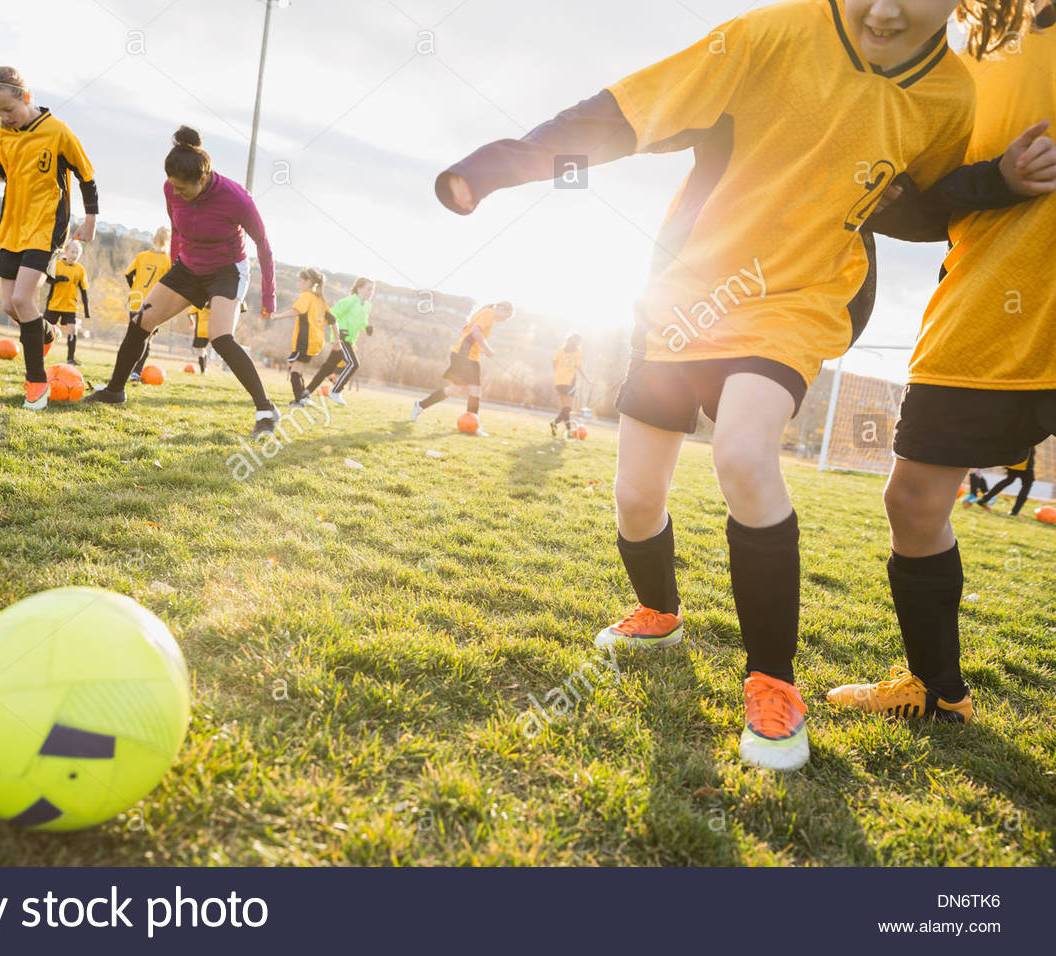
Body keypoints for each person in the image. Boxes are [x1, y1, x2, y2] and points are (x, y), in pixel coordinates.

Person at [433, 0, 1027, 771]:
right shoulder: (774, 34)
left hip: (798, 301)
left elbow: (917, 202)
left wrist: (999, 181)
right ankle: (659, 612)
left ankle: (774, 684)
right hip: (684, 298)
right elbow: (630, 111)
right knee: (637, 499)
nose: (882, 9)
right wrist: (500, 164)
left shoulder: (951, 94)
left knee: (745, 456)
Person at [828, 0, 1056, 724]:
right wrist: (993, 179)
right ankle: (935, 689)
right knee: (914, 501)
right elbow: (931, 206)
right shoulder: (976, 50)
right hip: (985, 306)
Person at [85, 127, 280, 440]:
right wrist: (176, 263)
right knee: (141, 321)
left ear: (202, 179)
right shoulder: (170, 187)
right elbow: (176, 227)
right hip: (188, 266)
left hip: (227, 270)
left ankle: (266, 410)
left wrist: (269, 296)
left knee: (220, 336)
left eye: (183, 188)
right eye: (172, 187)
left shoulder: (235, 198)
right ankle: (114, 390)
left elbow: (263, 245)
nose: (176, 193)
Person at [0, 65, 98, 409]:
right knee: (10, 305)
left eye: (9, 109)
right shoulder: (0, 132)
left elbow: (86, 175)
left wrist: (91, 218)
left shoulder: (57, 132)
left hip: (46, 224)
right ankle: (47, 334)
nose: (4, 118)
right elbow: (1, 173)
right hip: (12, 226)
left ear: (27, 97)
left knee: (23, 300)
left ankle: (37, 385)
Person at [410, 302, 515, 434]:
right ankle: (421, 405)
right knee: (461, 390)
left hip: (471, 357)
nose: (504, 320)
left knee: (468, 391)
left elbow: (468, 330)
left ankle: (471, 425)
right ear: (501, 308)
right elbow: (475, 331)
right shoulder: (489, 313)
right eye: (506, 316)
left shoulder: (486, 313)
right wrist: (487, 348)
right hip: (464, 356)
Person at [302, 278, 375, 405]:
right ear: (359, 288)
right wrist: (338, 333)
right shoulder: (349, 301)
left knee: (327, 369)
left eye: (372, 290)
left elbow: (362, 321)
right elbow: (331, 315)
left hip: (350, 341)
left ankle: (306, 393)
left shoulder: (367, 305)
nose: (371, 292)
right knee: (353, 364)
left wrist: (366, 327)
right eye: (369, 289)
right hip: (341, 339)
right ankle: (335, 391)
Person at [269, 268, 333, 406]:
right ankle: (304, 396)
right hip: (316, 341)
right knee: (298, 367)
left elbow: (297, 310)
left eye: (300, 280)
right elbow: (332, 319)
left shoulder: (307, 296)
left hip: (305, 340)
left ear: (308, 281)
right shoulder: (320, 300)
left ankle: (299, 400)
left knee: (295, 369)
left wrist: (278, 316)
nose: (298, 283)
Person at [123, 228, 172, 379]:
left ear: (154, 239)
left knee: (132, 336)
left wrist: (135, 287)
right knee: (147, 338)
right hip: (154, 302)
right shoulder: (168, 261)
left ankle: (123, 370)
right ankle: (136, 372)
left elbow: (128, 274)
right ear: (168, 242)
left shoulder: (142, 256)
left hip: (136, 299)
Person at [43, 240, 90, 366]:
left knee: (72, 330)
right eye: (73, 251)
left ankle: (70, 359)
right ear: (66, 251)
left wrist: (87, 310)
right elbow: (47, 279)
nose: (75, 255)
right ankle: (41, 355)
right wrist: (58, 279)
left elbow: (84, 290)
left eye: (77, 252)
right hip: (55, 304)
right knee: (46, 330)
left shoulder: (80, 269)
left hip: (70, 306)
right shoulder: (57, 265)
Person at [550, 333, 590, 437]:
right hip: (569, 381)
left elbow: (554, 364)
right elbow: (579, 368)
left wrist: (558, 375)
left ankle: (569, 431)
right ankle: (555, 422)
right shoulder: (577, 352)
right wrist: (587, 380)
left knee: (565, 407)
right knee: (568, 407)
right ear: (578, 343)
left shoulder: (560, 351)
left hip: (558, 381)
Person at [977, 448, 1038, 515]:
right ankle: (1015, 511)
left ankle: (984, 500)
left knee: (1008, 480)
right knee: (1027, 485)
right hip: (1025, 464)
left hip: (1014, 462)